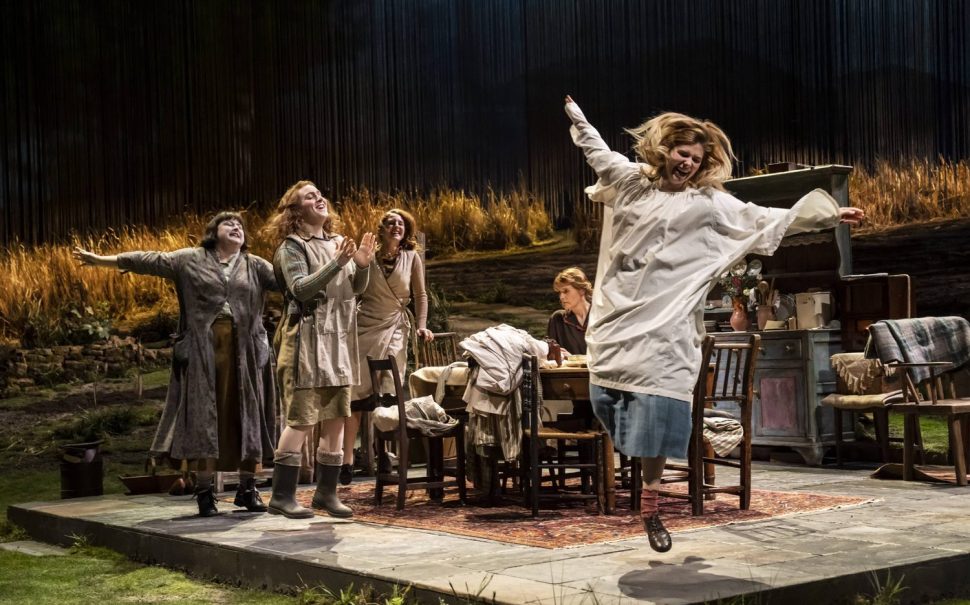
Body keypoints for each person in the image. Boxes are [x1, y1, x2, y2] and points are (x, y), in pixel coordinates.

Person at [564, 95, 865, 552]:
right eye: (682, 153)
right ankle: (636, 466)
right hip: (617, 316)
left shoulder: (706, 204)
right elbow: (597, 151)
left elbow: (760, 219)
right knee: (606, 404)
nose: (688, 163)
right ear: (665, 149)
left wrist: (829, 214)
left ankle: (649, 502)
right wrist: (579, 117)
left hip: (666, 322)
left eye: (697, 158)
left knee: (661, 407)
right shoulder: (629, 183)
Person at [73, 212, 280, 517]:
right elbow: (148, 260)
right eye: (228, 223)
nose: (236, 227)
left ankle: (247, 489)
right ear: (213, 232)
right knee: (204, 420)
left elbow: (291, 282)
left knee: (246, 417)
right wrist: (101, 260)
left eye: (240, 226)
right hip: (203, 351)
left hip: (245, 353)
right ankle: (205, 491)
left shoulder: (255, 265)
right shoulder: (189, 260)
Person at [262, 180, 375, 519]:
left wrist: (364, 265)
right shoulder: (291, 247)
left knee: (337, 418)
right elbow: (300, 290)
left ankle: (327, 494)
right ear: (295, 212)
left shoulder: (339, 243)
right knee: (301, 420)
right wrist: (337, 264)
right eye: (310, 197)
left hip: (338, 340)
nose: (320, 198)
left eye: (320, 193)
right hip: (305, 341)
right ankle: (282, 496)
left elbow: (355, 289)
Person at [342, 208, 434, 484]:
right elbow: (354, 289)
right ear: (381, 229)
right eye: (391, 223)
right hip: (365, 327)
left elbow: (420, 294)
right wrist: (359, 262)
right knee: (357, 397)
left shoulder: (411, 258)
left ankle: (385, 455)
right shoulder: (369, 257)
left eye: (402, 224)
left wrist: (421, 324)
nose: (397, 227)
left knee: (388, 393)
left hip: (394, 327)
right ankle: (347, 459)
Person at [547, 267, 592, 356]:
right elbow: (551, 356)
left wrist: (573, 358)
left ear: (581, 290)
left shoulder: (601, 316)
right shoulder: (558, 319)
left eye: (566, 291)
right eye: (560, 292)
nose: (561, 297)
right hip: (568, 370)